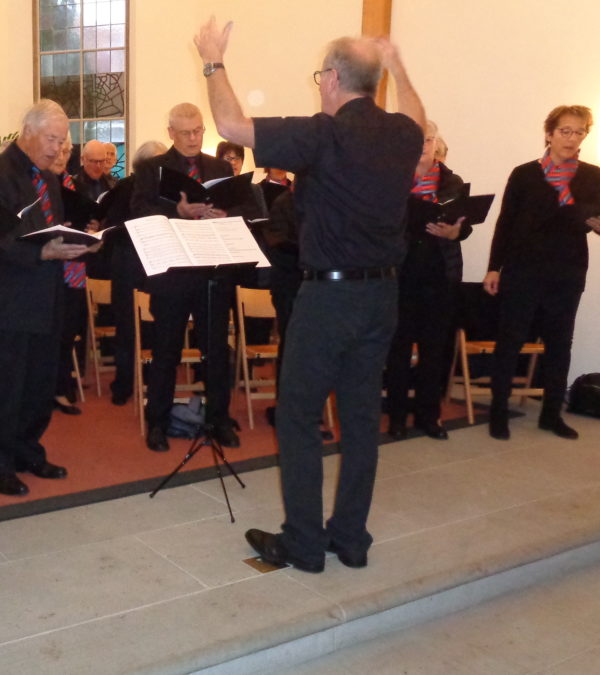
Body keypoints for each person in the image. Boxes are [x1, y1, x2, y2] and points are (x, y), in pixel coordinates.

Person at [195, 18, 425, 573]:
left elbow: (229, 122)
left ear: (331, 79)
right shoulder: (401, 133)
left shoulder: (322, 133)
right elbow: (417, 114)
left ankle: (302, 543)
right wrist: (396, 63)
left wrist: (211, 59)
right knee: (361, 420)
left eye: (321, 74)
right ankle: (350, 539)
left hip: (329, 300)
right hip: (383, 297)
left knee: (298, 417)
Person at [0, 99, 96, 496]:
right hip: (11, 295)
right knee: (10, 384)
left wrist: (80, 243)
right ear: (27, 131)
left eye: (62, 142)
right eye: (52, 139)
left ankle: (28, 449)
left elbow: (52, 228)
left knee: (42, 382)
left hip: (48, 292)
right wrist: (43, 251)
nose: (58, 149)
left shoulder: (49, 177)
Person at [483, 105, 600, 441]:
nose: (572, 139)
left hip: (568, 270)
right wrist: (493, 268)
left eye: (579, 132)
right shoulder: (525, 173)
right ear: (549, 133)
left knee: (560, 344)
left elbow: (595, 222)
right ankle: (498, 414)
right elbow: (506, 223)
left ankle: (550, 415)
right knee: (510, 341)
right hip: (523, 268)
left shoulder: (592, 175)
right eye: (565, 131)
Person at [130, 102, 239, 452]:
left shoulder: (220, 167)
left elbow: (241, 210)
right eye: (186, 133)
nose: (193, 138)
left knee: (217, 351)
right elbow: (138, 212)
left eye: (198, 131)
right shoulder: (152, 169)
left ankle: (219, 419)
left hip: (212, 272)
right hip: (173, 273)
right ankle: (158, 422)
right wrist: (175, 211)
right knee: (166, 351)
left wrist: (223, 214)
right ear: (171, 134)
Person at [385, 121, 470, 441]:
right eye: (416, 139)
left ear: (437, 144)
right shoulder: (391, 180)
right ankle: (396, 416)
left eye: (429, 139)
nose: (423, 144)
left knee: (434, 351)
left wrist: (455, 231)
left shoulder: (452, 182)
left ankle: (428, 416)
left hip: (439, 276)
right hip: (400, 275)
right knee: (398, 350)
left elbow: (465, 223)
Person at [103, 140, 166, 406]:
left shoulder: (167, 191)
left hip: (158, 261)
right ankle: (125, 382)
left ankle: (152, 378)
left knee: (155, 324)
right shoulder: (126, 187)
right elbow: (114, 227)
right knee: (128, 325)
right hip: (129, 262)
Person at [52, 133, 85, 415]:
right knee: (52, 333)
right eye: (60, 150)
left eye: (67, 151)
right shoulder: (40, 182)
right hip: (49, 269)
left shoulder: (69, 182)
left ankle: (61, 387)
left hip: (74, 267)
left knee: (67, 333)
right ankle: (52, 389)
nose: (62, 156)